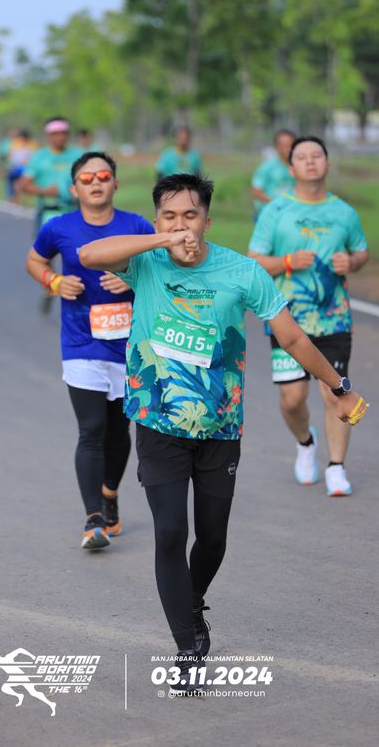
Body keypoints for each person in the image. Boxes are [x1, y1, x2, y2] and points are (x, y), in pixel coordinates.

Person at [79, 172, 368, 695]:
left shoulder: (243, 271)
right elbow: (90, 255)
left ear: (207, 222)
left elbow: (292, 337)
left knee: (212, 538)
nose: (181, 226)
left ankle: (192, 601)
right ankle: (187, 648)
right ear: (157, 221)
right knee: (170, 531)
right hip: (158, 422)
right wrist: (160, 240)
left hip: (221, 425)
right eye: (169, 216)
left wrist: (338, 386)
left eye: (190, 216)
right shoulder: (145, 261)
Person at [26, 152, 154, 549]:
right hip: (81, 342)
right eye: (87, 178)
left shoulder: (137, 226)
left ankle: (110, 493)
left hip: (130, 345)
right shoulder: (58, 227)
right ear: (74, 188)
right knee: (91, 429)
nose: (95, 183)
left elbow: (162, 265)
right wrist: (54, 282)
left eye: (103, 176)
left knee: (119, 431)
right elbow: (35, 260)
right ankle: (93, 519)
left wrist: (133, 278)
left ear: (115, 183)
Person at [248, 135, 369, 496]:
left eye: (317, 155)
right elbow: (254, 261)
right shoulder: (275, 210)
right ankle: (305, 442)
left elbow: (361, 252)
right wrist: (287, 261)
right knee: (292, 400)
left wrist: (352, 262)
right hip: (287, 320)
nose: (311, 161)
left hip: (334, 319)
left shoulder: (344, 212)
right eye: (302, 157)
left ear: (328, 164)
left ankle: (336, 467)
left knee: (335, 392)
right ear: (291, 168)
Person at [20, 117, 81, 232]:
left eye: (63, 133)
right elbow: (23, 185)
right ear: (47, 135)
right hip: (48, 213)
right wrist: (46, 191)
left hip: (75, 212)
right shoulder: (39, 157)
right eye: (55, 133)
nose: (60, 137)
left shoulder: (78, 155)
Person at [251, 129, 296, 218]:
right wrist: (275, 204)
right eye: (284, 144)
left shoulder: (299, 166)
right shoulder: (267, 166)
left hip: (290, 214)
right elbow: (256, 190)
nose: (288, 147)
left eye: (291, 144)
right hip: (267, 214)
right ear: (277, 146)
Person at [6, 130, 37, 205]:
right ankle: (12, 195)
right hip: (17, 167)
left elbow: (35, 158)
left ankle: (20, 198)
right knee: (10, 177)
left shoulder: (32, 145)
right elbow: (10, 156)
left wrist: (27, 161)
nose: (21, 140)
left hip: (28, 168)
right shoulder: (15, 144)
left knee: (23, 180)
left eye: (23, 138)